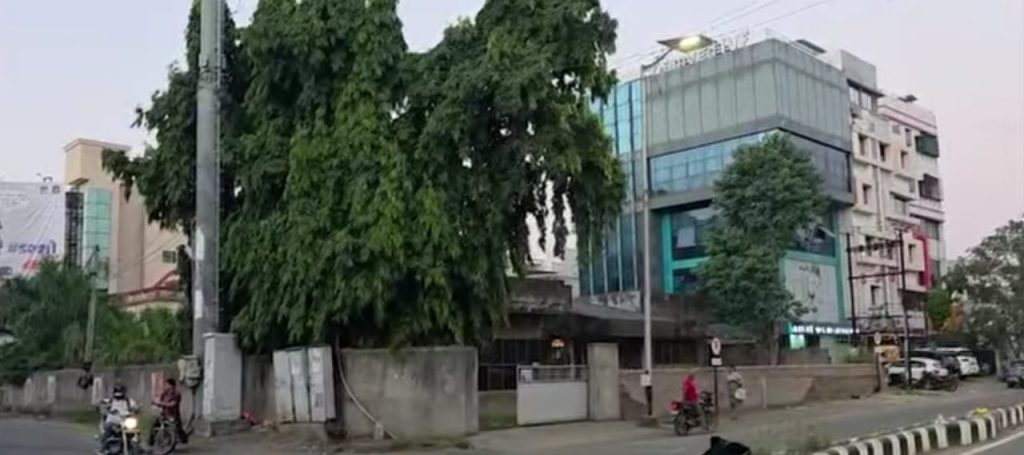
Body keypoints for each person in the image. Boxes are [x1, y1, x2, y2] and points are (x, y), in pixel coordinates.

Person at [98, 383, 138, 452]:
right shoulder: (110, 400)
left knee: (135, 431)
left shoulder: (128, 401)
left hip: (125, 421)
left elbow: (135, 407)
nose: (119, 394)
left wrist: (137, 409)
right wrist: (103, 406)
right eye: (117, 391)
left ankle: (137, 446)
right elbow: (102, 403)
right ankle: (103, 448)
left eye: (120, 391)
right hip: (113, 420)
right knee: (108, 428)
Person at [151, 378, 188, 445]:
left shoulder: (177, 394)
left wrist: (160, 403)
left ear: (171, 386)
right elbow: (160, 402)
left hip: (173, 415)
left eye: (167, 384)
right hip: (164, 414)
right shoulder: (164, 393)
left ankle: (182, 438)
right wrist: (155, 403)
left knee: (178, 429)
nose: (165, 386)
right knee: (154, 427)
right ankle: (152, 442)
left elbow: (172, 404)